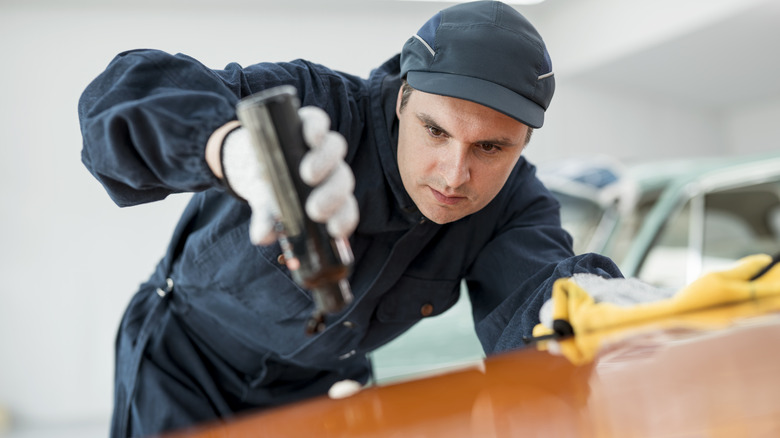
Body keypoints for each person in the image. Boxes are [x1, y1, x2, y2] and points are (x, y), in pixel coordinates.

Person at [78, 1, 623, 436]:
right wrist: (231, 147)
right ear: (404, 99)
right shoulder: (314, 106)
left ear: (524, 142)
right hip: (184, 368)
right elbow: (127, 92)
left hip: (322, 390)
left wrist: (603, 315)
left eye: (490, 148)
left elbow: (539, 304)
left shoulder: (515, 207)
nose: (455, 174)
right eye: (436, 131)